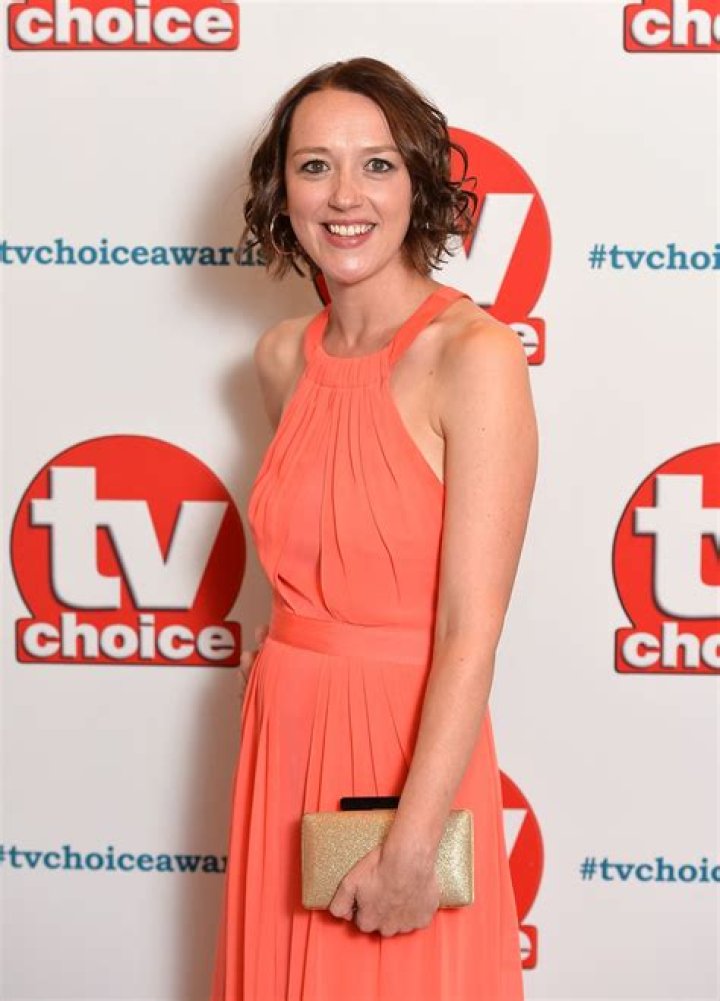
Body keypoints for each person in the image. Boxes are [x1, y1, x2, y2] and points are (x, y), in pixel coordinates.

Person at [210, 56, 538, 1001]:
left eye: (377, 165)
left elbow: (470, 630)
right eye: (315, 166)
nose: (345, 195)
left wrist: (413, 843)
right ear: (282, 193)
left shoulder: (474, 356)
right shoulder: (281, 358)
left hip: (406, 755)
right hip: (285, 742)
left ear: (418, 184)